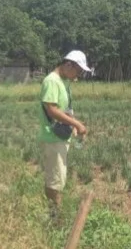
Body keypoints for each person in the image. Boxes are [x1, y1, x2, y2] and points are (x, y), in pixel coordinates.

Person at [38, 50, 91, 223]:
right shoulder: (52, 81)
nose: (79, 75)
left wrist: (72, 125)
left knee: (58, 179)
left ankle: (54, 215)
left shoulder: (64, 82)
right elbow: (51, 109)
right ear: (68, 65)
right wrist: (77, 124)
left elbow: (64, 109)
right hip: (53, 139)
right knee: (55, 181)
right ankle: (55, 219)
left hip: (61, 138)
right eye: (79, 70)